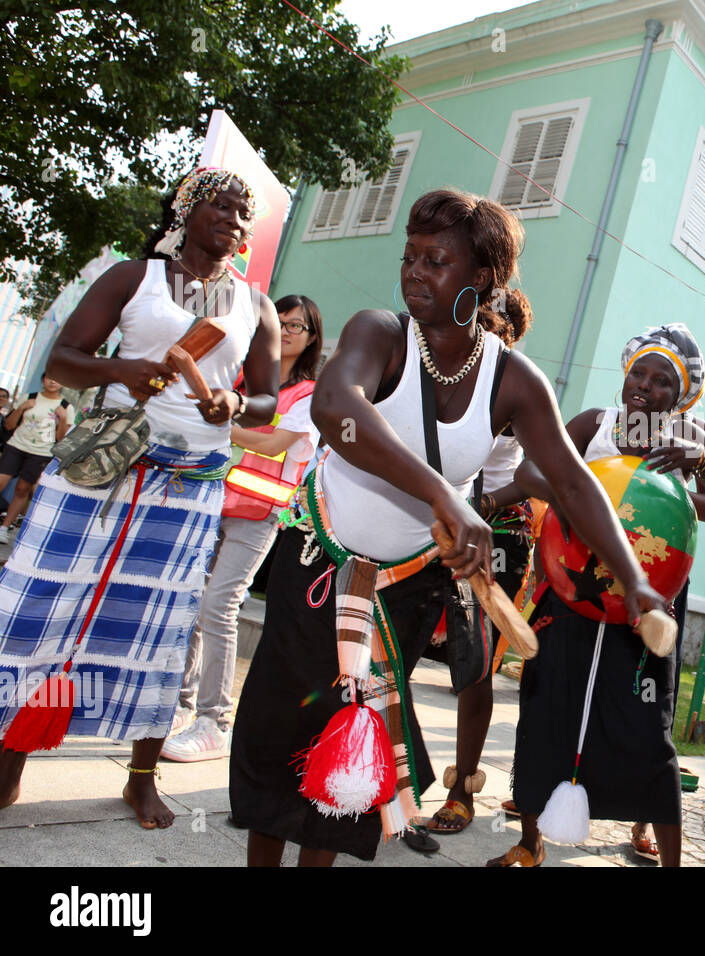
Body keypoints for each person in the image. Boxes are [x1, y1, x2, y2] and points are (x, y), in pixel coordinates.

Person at [228, 188, 668, 867]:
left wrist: (636, 581)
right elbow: (335, 412)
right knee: (282, 731)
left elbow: (576, 482)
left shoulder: (513, 380)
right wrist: (447, 497)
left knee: (351, 747)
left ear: (482, 277)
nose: (413, 272)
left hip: (402, 588)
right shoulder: (381, 332)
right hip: (318, 561)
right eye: (410, 256)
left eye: (435, 260)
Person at [0, 166, 279, 827]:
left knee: (161, 622)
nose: (236, 219)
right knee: (46, 600)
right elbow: (63, 361)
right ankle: (11, 758)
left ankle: (141, 776)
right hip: (103, 467)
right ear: (186, 208)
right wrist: (125, 370)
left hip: (191, 481)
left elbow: (266, 400)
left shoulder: (254, 305)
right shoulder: (136, 277)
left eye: (247, 213)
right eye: (223, 203)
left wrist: (235, 401)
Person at [503, 323, 705, 867]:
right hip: (573, 586)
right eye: (640, 372)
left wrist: (698, 464)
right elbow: (528, 469)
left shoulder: (693, 434)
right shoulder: (595, 423)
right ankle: (528, 840)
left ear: (681, 393)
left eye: (663, 380)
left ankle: (661, 850)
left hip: (650, 598)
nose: (646, 385)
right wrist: (574, 497)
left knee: (645, 724)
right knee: (546, 708)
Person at [163, 294, 323, 760]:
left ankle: (215, 720)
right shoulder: (242, 380)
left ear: (312, 338)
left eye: (300, 326)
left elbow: (274, 443)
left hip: (261, 511)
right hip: (209, 495)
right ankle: (181, 704)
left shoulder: (308, 394)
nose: (289, 330)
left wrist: (220, 418)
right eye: (284, 322)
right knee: (192, 600)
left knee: (218, 606)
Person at [402, 430, 535, 852]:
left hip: (494, 534)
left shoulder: (507, 377)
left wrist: (488, 503)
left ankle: (461, 791)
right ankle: (386, 779)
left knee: (475, 665)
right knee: (394, 652)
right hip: (425, 518)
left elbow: (537, 470)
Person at [0, 372, 72, 544]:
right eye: (49, 377)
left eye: (57, 378)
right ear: (43, 380)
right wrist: (22, 407)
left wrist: (62, 419)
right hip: (16, 446)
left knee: (22, 490)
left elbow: (61, 439)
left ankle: (4, 528)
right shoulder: (30, 397)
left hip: (41, 453)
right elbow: (9, 425)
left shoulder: (66, 407)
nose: (53, 381)